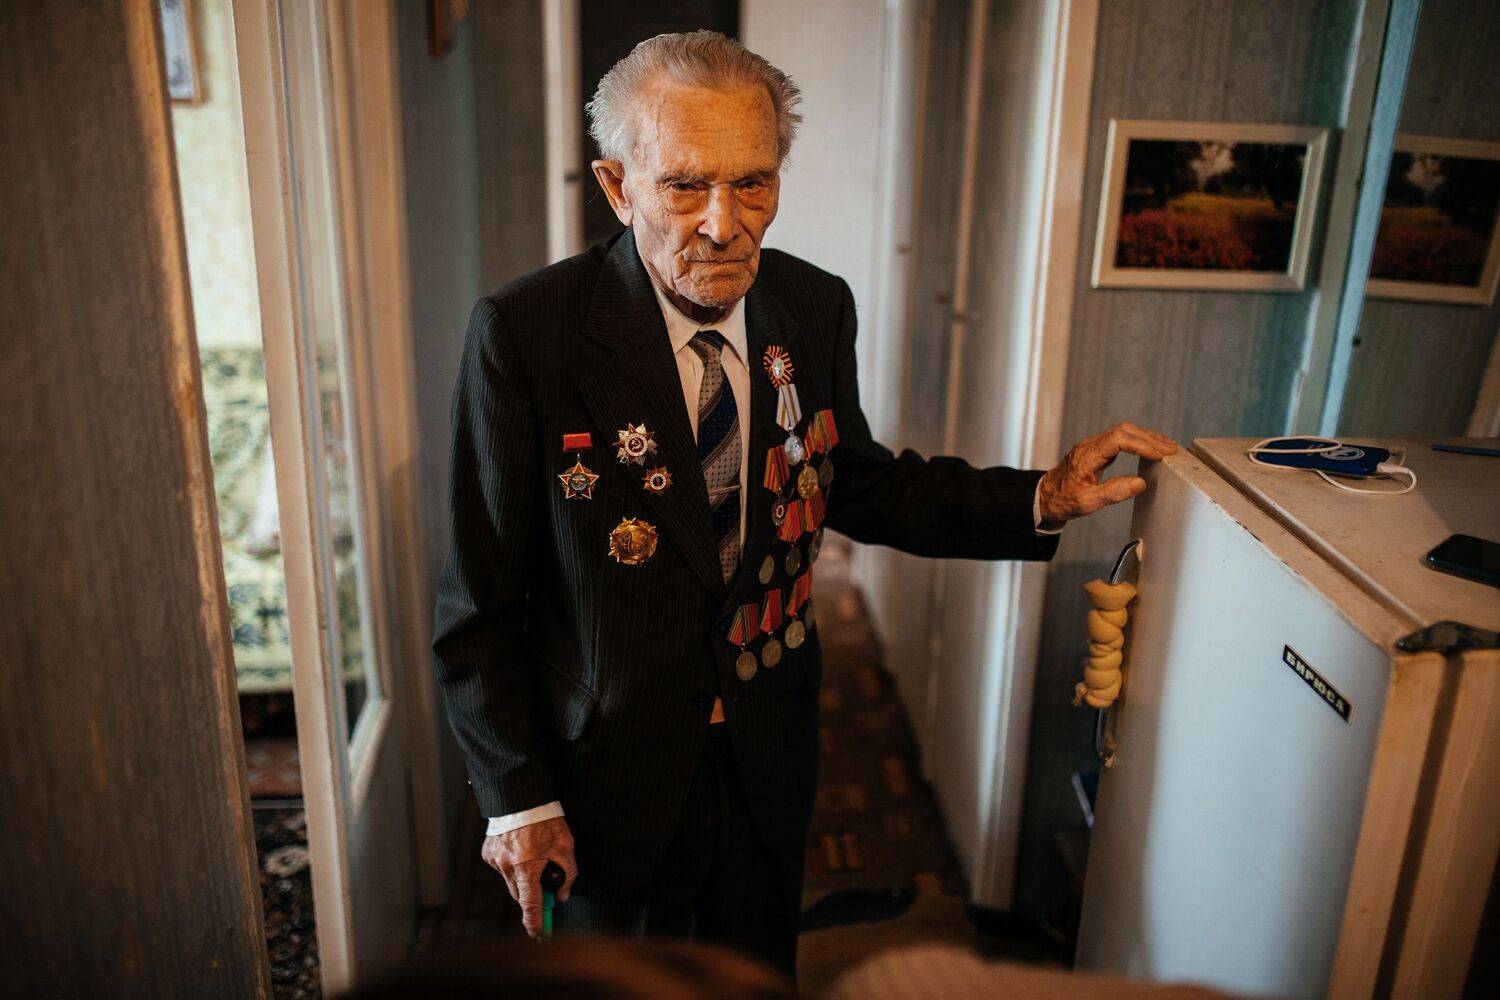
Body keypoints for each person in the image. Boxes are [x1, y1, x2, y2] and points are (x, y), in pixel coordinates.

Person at [431, 29, 1177, 981]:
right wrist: (516, 796)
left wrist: (1042, 496)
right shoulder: (526, 334)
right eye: (684, 186)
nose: (723, 223)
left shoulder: (815, 307)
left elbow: (852, 479)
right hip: (604, 774)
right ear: (617, 188)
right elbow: (480, 604)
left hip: (765, 750)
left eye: (753, 183)